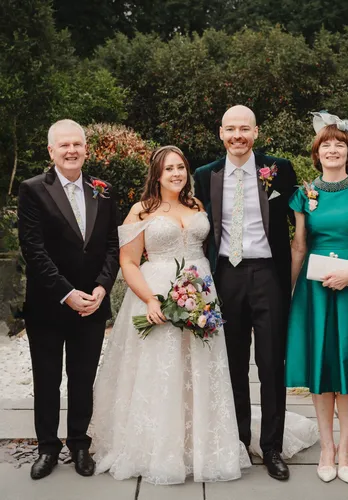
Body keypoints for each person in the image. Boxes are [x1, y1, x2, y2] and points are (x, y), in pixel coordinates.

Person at [89, 145, 252, 484]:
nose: (177, 173)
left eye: (181, 167)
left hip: (201, 293)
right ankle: (159, 449)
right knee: (161, 370)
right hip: (158, 294)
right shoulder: (141, 210)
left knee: (200, 368)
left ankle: (202, 446)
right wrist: (150, 300)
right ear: (157, 175)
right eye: (169, 169)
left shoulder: (196, 205)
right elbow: (128, 262)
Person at [194, 105, 297, 480]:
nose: (238, 136)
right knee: (232, 363)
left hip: (269, 274)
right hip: (226, 276)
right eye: (231, 129)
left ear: (256, 132)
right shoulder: (205, 175)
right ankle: (238, 442)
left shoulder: (279, 169)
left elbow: (301, 219)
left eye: (245, 129)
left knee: (271, 364)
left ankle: (272, 448)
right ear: (220, 133)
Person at [18, 119, 119, 480]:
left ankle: (79, 443)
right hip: (49, 304)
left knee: (82, 378)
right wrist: (65, 292)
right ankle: (47, 447)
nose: (72, 150)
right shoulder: (32, 190)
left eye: (77, 144)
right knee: (47, 379)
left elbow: (111, 244)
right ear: (51, 151)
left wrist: (102, 287)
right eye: (64, 146)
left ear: (86, 149)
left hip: (92, 303)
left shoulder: (103, 190)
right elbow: (34, 249)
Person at [286, 111, 348, 484]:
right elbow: (299, 247)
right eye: (327, 144)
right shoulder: (305, 194)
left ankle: (344, 448)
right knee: (321, 368)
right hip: (315, 292)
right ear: (317, 152)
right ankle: (325, 447)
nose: (333, 149)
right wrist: (288, 294)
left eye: (340, 144)